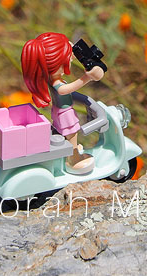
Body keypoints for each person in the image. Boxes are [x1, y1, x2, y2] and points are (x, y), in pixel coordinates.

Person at [21, 31, 105, 174]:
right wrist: (87, 78)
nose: (70, 61)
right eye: (67, 60)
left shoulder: (50, 77)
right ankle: (73, 161)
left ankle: (71, 154)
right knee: (72, 135)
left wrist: (70, 50)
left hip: (60, 113)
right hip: (65, 114)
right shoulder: (57, 84)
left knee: (67, 135)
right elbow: (66, 90)